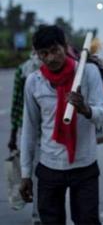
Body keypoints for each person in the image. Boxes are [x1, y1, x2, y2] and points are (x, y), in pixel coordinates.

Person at [19, 25, 103, 225]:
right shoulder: (34, 82)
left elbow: (102, 114)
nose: (50, 58)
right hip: (49, 167)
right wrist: (25, 174)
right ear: (37, 54)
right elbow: (29, 130)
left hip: (84, 165)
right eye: (44, 53)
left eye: (55, 51)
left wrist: (85, 109)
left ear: (65, 47)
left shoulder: (88, 72)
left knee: (88, 220)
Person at [8, 53, 41, 224]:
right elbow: (17, 102)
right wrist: (13, 133)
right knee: (34, 173)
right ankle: (37, 214)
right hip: (29, 129)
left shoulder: (60, 68)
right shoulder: (24, 70)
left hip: (52, 133)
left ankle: (42, 212)